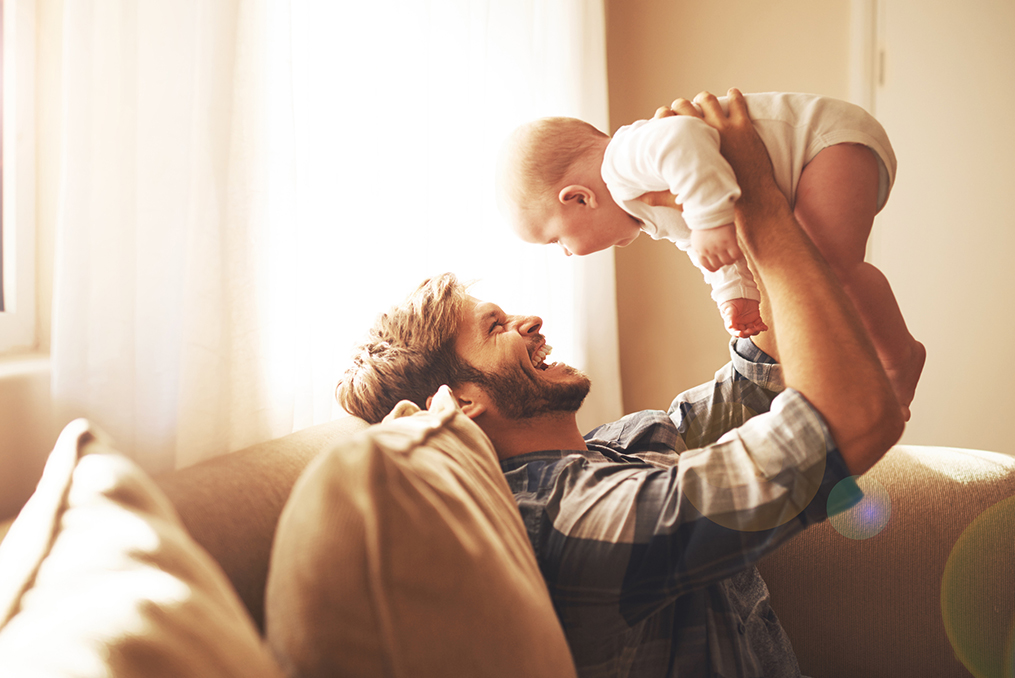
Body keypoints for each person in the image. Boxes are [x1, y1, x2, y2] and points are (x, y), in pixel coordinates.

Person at [338, 89, 904, 677]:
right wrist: (759, 201)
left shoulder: (617, 445)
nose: (528, 320)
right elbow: (853, 418)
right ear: (463, 403)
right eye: (496, 327)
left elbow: (754, 383)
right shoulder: (576, 519)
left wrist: (733, 213)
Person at [499, 91, 925, 420]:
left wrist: (708, 221)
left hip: (825, 142)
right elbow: (702, 244)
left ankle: (899, 357)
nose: (568, 254)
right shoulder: (644, 207)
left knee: (828, 269)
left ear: (578, 198)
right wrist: (734, 295)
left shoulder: (622, 162)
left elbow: (684, 136)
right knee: (811, 274)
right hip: (815, 160)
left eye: (557, 241)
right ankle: (870, 366)